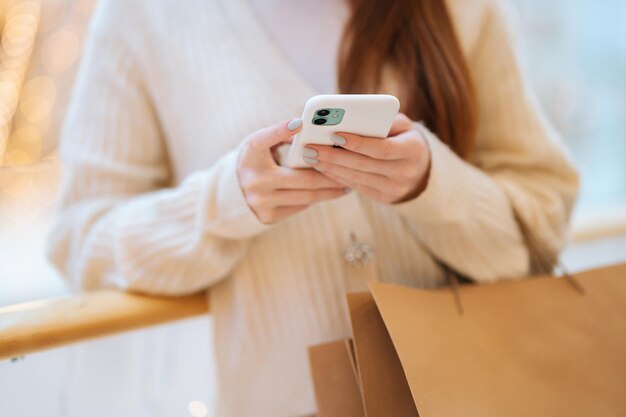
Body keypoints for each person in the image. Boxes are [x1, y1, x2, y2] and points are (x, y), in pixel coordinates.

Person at [47, 0, 579, 415]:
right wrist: (228, 203)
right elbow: (81, 240)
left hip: (473, 392)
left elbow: (543, 216)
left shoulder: (465, 8)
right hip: (280, 403)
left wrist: (431, 185)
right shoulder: (143, 15)